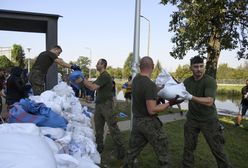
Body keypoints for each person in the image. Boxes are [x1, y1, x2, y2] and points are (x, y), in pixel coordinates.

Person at [123, 56, 179, 168]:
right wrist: (170, 103)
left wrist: (158, 92)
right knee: (163, 150)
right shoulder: (149, 84)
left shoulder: (136, 80)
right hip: (149, 123)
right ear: (152, 67)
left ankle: (126, 166)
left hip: (137, 121)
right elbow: (152, 110)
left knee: (133, 150)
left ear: (140, 67)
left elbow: (145, 97)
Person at [179, 56, 232, 168]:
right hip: (192, 119)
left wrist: (191, 97)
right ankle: (187, 165)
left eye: (201, 66)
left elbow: (209, 101)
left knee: (217, 148)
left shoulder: (210, 81)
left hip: (209, 120)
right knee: (188, 147)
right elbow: (180, 96)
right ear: (191, 68)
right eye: (196, 66)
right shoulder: (187, 82)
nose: (199, 69)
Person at [75, 58, 125, 160]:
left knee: (113, 128)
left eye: (98, 64)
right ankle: (99, 147)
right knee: (98, 128)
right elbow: (93, 86)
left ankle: (121, 150)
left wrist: (82, 78)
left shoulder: (106, 76)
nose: (96, 65)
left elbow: (92, 87)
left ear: (103, 65)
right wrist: (84, 82)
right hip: (99, 105)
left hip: (106, 105)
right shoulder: (101, 76)